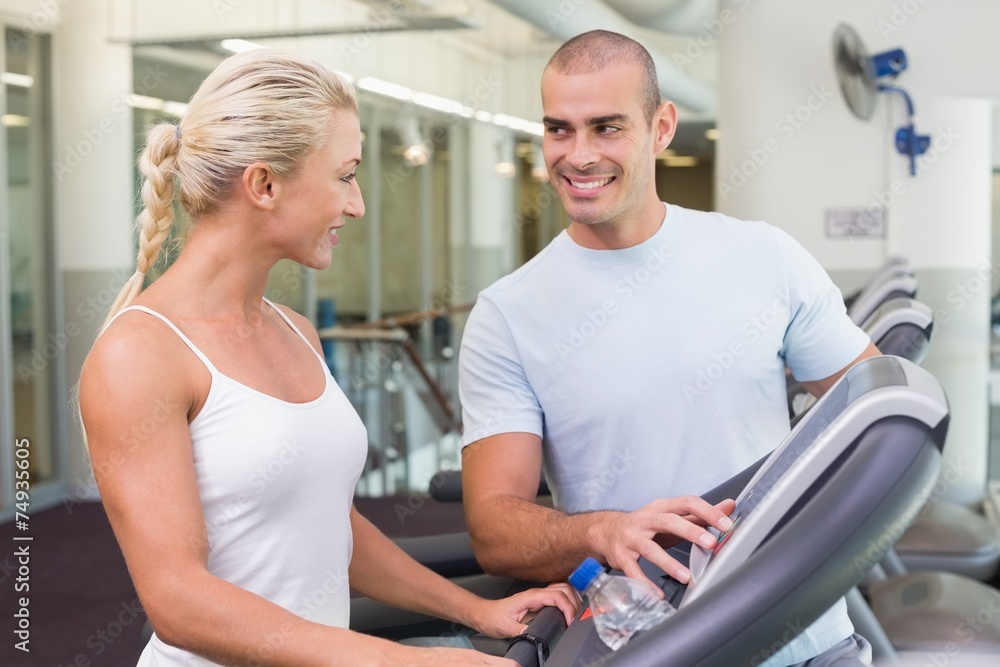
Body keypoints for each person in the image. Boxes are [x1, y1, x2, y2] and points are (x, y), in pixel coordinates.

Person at [78, 48, 577, 667]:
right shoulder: (138, 354)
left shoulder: (296, 331)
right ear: (264, 184)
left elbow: (329, 530)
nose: (357, 203)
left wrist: (473, 611)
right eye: (344, 175)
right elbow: (179, 602)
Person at [458, 30, 881, 667]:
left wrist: (812, 541)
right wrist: (604, 530)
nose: (578, 155)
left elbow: (875, 415)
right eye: (559, 129)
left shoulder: (764, 255)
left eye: (606, 128)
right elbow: (493, 528)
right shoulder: (507, 314)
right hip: (654, 648)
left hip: (806, 641)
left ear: (661, 127)